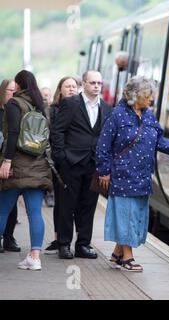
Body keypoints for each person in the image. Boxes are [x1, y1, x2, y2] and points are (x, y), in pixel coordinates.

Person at [96, 76, 169, 272]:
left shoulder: (148, 116)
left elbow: (160, 142)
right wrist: (104, 171)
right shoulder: (117, 115)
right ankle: (127, 257)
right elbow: (103, 146)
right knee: (126, 216)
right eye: (148, 96)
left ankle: (117, 253)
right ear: (135, 95)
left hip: (142, 177)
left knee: (136, 216)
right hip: (122, 175)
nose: (151, 100)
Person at [51, 70, 111, 259]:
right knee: (67, 205)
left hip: (93, 164)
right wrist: (61, 157)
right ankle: (64, 244)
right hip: (72, 162)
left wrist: (105, 163)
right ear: (83, 83)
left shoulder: (107, 108)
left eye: (99, 83)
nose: (96, 86)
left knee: (88, 205)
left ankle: (83, 244)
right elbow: (58, 131)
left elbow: (106, 137)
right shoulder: (71, 104)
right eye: (92, 82)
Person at [0, 70, 52, 270]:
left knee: (3, 210)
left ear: (19, 85)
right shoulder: (41, 106)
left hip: (17, 166)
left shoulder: (15, 103)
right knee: (35, 213)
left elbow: (12, 134)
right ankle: (35, 258)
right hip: (38, 167)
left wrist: (7, 161)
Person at [44, 76, 79, 254]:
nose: (72, 89)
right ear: (60, 89)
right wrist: (60, 156)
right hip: (59, 161)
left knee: (71, 203)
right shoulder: (53, 110)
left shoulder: (82, 109)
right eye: (68, 86)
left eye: (74, 86)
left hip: (76, 161)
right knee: (61, 201)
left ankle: (66, 239)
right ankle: (59, 238)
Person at [0, 79, 21, 253]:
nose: (13, 94)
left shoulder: (16, 110)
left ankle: (8, 237)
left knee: (11, 203)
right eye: (10, 91)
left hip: (9, 163)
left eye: (16, 91)